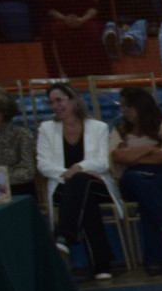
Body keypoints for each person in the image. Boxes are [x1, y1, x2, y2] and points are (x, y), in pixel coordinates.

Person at [38, 82, 122, 280]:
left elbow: (102, 162)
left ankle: (64, 234)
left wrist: (78, 168)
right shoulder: (46, 129)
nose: (55, 106)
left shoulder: (98, 127)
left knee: (82, 181)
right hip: (62, 186)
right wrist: (71, 173)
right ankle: (102, 264)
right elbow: (43, 165)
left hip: (97, 183)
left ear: (74, 100)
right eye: (51, 102)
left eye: (59, 100)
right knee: (85, 196)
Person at [110, 86, 162, 277]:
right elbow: (117, 157)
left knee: (148, 198)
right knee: (137, 181)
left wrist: (136, 153)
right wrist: (152, 149)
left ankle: (154, 261)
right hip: (133, 179)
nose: (124, 111)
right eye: (122, 107)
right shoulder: (120, 131)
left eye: (127, 107)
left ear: (140, 106)